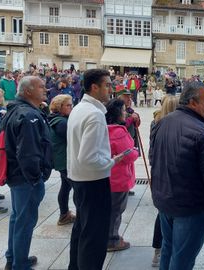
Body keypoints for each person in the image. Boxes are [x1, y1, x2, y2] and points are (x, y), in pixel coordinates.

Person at [150, 81, 204, 270]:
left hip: (165, 201)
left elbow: (154, 159)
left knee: (168, 248)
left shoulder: (162, 122)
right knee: (182, 258)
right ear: (193, 102)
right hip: (190, 208)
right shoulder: (203, 133)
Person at [67, 69, 125, 270]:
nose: (111, 89)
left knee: (82, 230)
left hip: (79, 179)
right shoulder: (94, 114)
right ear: (94, 87)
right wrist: (111, 162)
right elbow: (88, 157)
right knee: (94, 237)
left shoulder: (79, 108)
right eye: (107, 85)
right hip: (93, 181)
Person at [3, 76, 52, 270]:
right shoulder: (28, 115)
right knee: (24, 221)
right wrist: (36, 178)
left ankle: (13, 257)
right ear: (28, 91)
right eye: (41, 86)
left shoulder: (17, 109)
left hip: (17, 175)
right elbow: (28, 152)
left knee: (18, 218)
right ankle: (20, 264)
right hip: (25, 178)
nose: (45, 89)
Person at [105, 98, 139, 251]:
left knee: (109, 208)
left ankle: (107, 235)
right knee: (116, 209)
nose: (125, 113)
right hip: (118, 177)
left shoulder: (104, 127)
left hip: (106, 175)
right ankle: (112, 239)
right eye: (124, 110)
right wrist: (135, 151)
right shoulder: (117, 131)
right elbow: (128, 154)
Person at [149, 95, 180, 267]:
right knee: (167, 214)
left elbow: (152, 150)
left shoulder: (156, 122)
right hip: (170, 173)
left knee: (162, 213)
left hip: (159, 172)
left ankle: (158, 251)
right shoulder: (170, 124)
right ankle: (164, 250)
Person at [48, 94, 76, 225]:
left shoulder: (58, 119)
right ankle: (67, 215)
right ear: (60, 107)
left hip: (61, 159)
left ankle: (64, 214)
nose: (72, 107)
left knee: (65, 187)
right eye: (68, 105)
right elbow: (73, 139)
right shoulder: (61, 122)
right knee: (76, 188)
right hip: (64, 160)